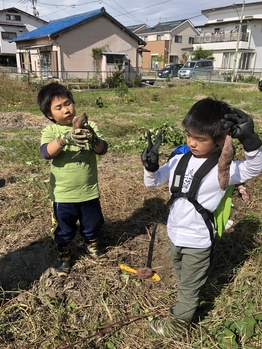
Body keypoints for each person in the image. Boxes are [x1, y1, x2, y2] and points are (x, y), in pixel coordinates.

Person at [141, 97, 262, 340]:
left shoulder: (223, 167)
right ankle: (193, 288)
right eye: (189, 135)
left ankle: (176, 327)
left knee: (188, 288)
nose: (192, 143)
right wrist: (151, 167)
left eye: (200, 139)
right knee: (181, 273)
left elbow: (254, 168)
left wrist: (251, 140)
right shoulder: (179, 160)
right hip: (175, 233)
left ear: (219, 140)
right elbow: (152, 183)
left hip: (197, 239)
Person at [38, 82, 108, 277]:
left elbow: (102, 149)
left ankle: (92, 245)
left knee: (92, 222)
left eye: (68, 103)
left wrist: (93, 138)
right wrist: (64, 139)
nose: (66, 110)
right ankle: (64, 255)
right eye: (58, 108)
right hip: (63, 194)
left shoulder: (90, 126)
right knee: (63, 228)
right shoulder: (51, 132)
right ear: (50, 115)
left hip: (88, 191)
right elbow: (46, 153)